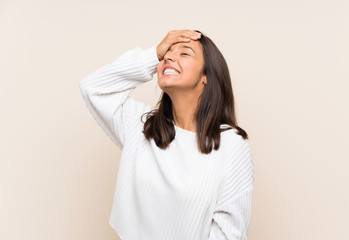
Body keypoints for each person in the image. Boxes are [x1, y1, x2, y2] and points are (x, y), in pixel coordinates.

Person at [79, 29, 255, 240]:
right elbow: (92, 87)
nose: (169, 57)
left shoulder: (231, 145)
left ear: (206, 76)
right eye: (167, 54)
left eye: (185, 53)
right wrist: (153, 55)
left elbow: (229, 235)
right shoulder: (141, 126)